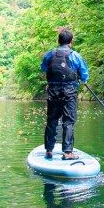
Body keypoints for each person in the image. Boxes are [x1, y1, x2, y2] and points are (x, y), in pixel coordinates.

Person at [41, 28, 89, 160]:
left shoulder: (50, 54)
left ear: (58, 41)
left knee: (52, 120)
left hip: (53, 92)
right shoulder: (76, 56)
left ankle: (49, 150)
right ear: (71, 42)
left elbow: (43, 68)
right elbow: (85, 75)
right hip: (69, 93)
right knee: (68, 122)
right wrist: (82, 79)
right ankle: (68, 152)